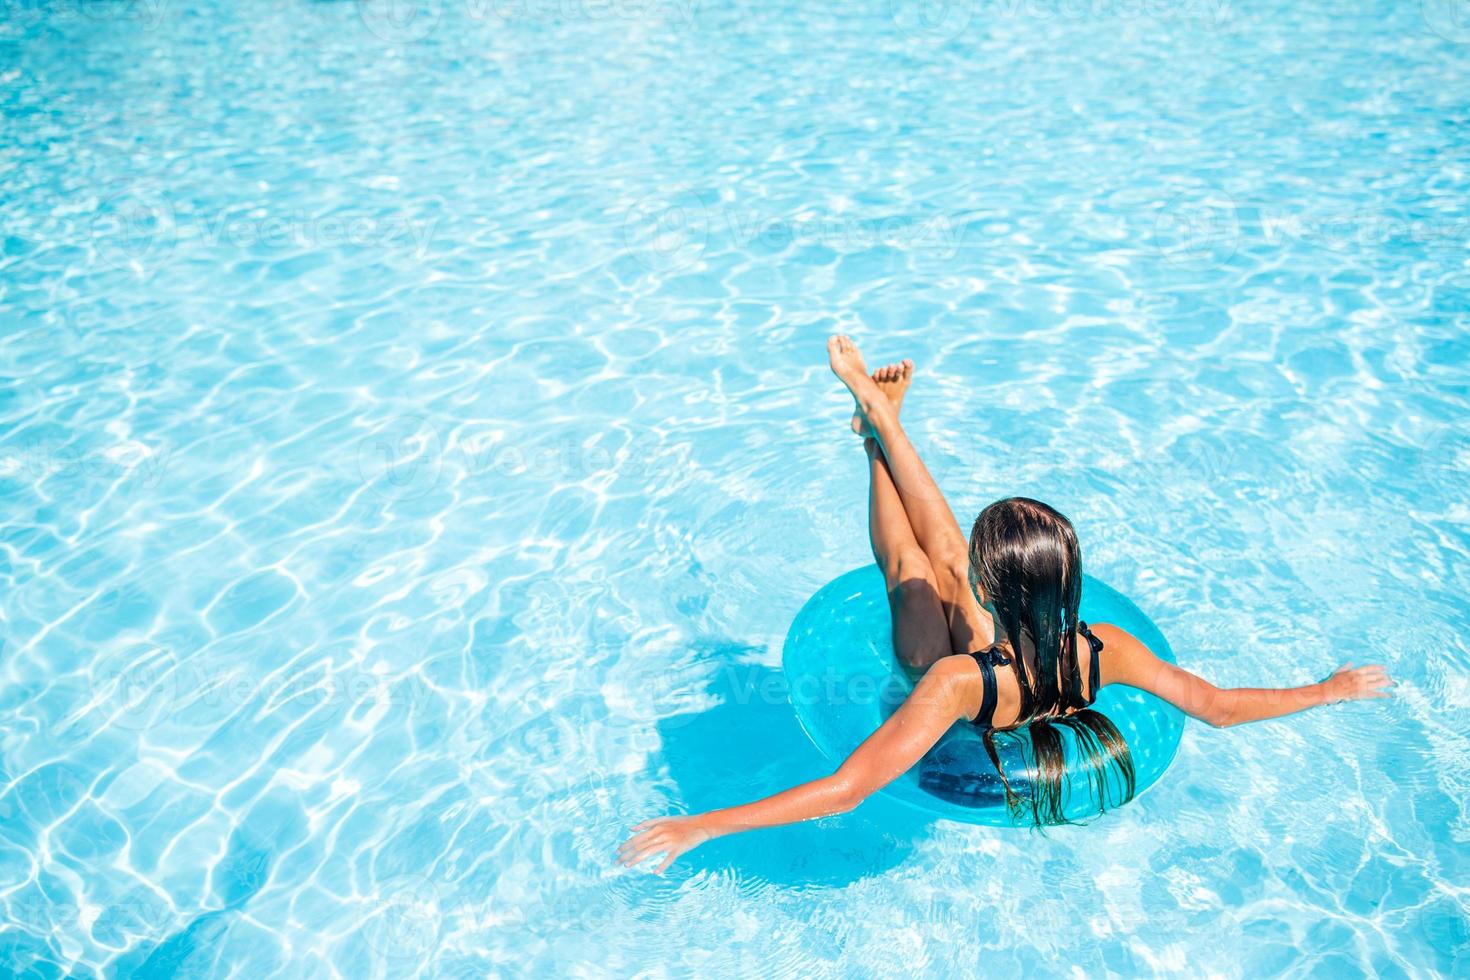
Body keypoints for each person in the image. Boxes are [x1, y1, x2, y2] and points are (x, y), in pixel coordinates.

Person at [618, 336, 1394, 873]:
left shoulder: (953, 679)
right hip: (1027, 676)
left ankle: (871, 435)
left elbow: (852, 787)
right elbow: (1217, 707)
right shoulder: (1107, 645)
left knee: (910, 568)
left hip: (970, 735)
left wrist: (701, 825)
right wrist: (1330, 689)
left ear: (1002, 591)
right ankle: (884, 423)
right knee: (948, 562)